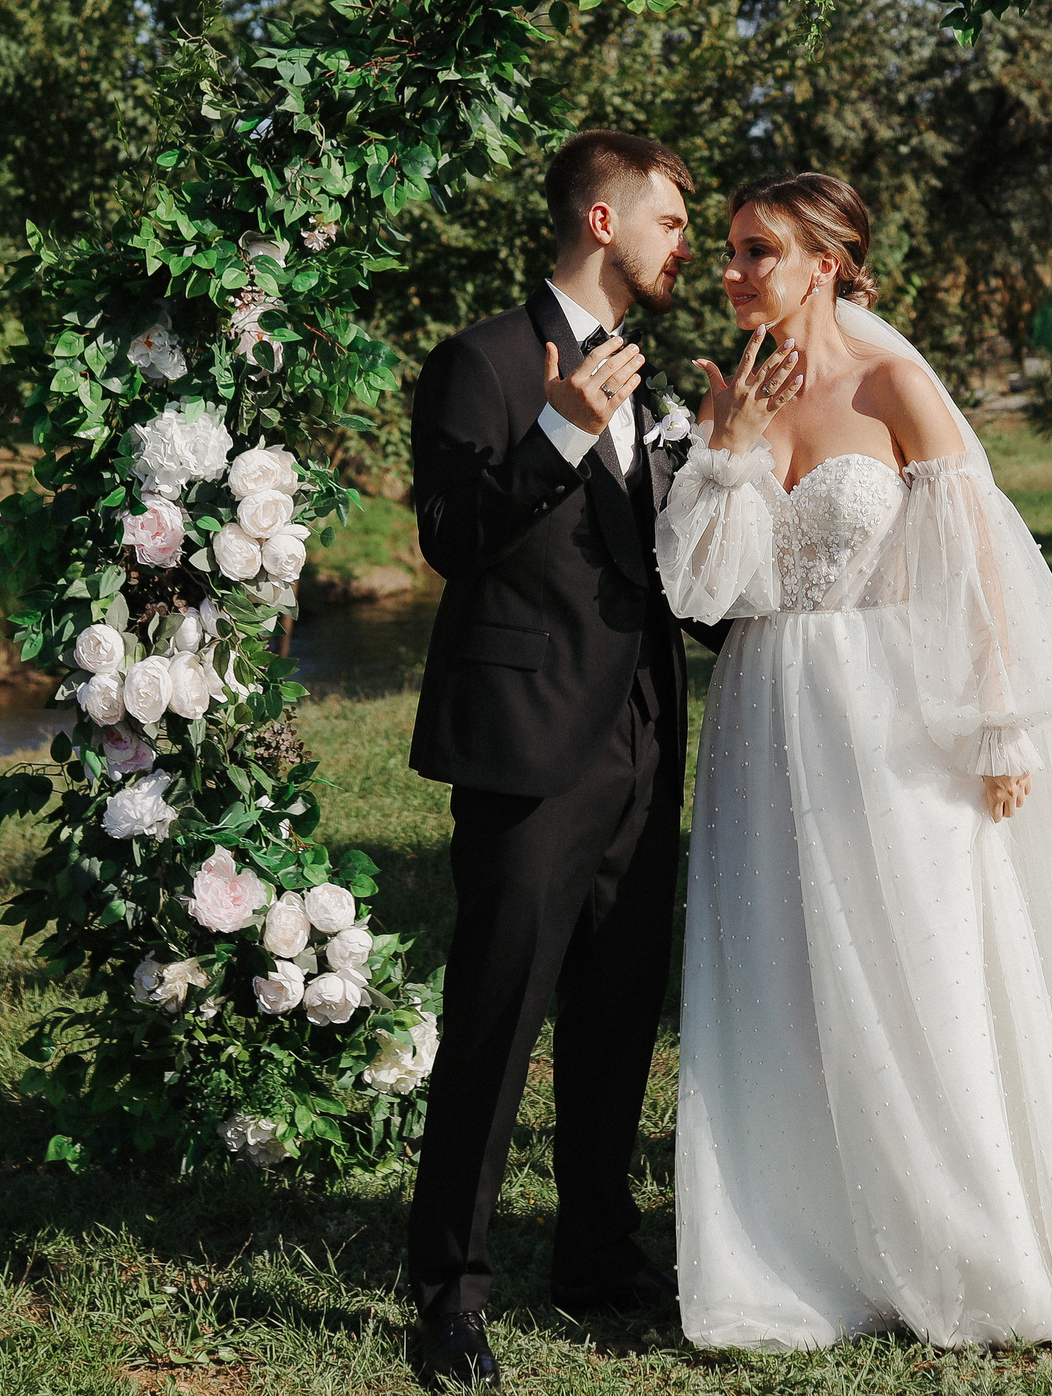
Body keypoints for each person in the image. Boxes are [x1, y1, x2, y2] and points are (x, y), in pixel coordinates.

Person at [660, 172, 1052, 1351]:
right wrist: (730, 453)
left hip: (889, 710)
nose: (734, 271)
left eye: (759, 251)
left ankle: (982, 1251)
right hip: (763, 712)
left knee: (923, 962)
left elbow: (980, 561)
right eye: (732, 251)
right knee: (783, 971)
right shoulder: (734, 395)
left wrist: (1001, 723)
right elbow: (708, 589)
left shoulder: (894, 385)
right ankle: (809, 1247)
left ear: (826, 263)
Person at [403, 130, 713, 1387]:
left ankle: (595, 1255)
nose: (685, 244)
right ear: (602, 220)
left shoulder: (648, 374)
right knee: (497, 1020)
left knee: (618, 1013)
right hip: (529, 743)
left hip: (643, 735)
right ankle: (448, 1295)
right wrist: (559, 429)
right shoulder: (480, 360)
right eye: (671, 221)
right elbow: (447, 534)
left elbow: (656, 565)